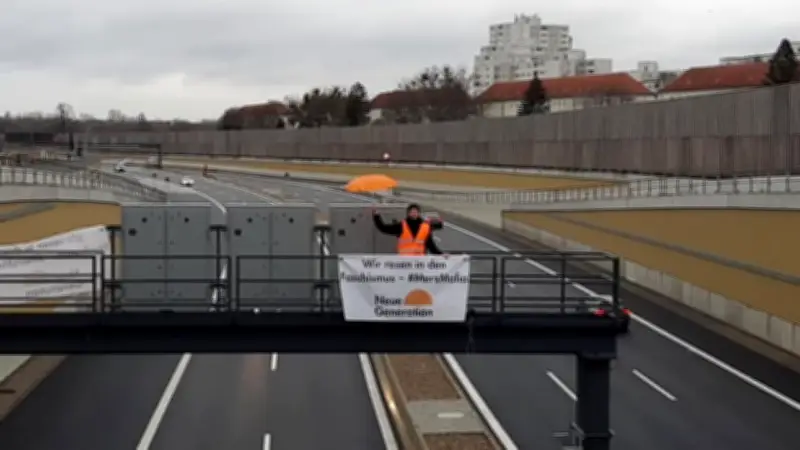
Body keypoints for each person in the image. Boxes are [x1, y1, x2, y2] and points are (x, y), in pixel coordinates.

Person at [372, 203, 446, 255]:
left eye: (416, 211)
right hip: (404, 264)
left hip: (420, 264)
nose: (414, 213)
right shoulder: (401, 226)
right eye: (412, 211)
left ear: (418, 213)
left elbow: (431, 246)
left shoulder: (425, 227)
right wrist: (376, 216)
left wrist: (441, 254)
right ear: (408, 213)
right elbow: (383, 228)